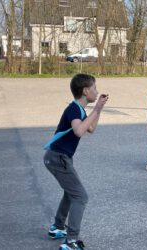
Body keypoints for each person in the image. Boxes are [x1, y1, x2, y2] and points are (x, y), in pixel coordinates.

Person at [43, 74, 108, 250]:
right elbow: (79, 131)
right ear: (86, 91)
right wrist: (96, 110)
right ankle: (71, 241)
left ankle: (57, 227)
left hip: (60, 158)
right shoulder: (73, 109)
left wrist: (99, 109)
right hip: (57, 158)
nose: (96, 91)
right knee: (81, 196)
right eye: (94, 88)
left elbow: (91, 128)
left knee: (71, 193)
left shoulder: (81, 110)